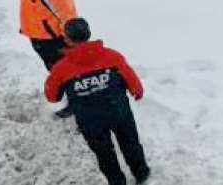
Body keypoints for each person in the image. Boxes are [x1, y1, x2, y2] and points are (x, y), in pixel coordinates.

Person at [45, 18, 151, 184]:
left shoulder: (61, 69)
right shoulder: (112, 56)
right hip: (119, 112)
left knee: (104, 154)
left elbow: (52, 96)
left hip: (90, 121)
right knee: (131, 144)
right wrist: (136, 92)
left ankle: (117, 181)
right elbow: (134, 83)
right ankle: (141, 173)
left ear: (67, 39)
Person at [14, 0, 78, 116]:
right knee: (56, 71)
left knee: (68, 73)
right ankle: (72, 97)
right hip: (39, 37)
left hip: (56, 38)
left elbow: (67, 11)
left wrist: (70, 37)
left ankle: (78, 104)